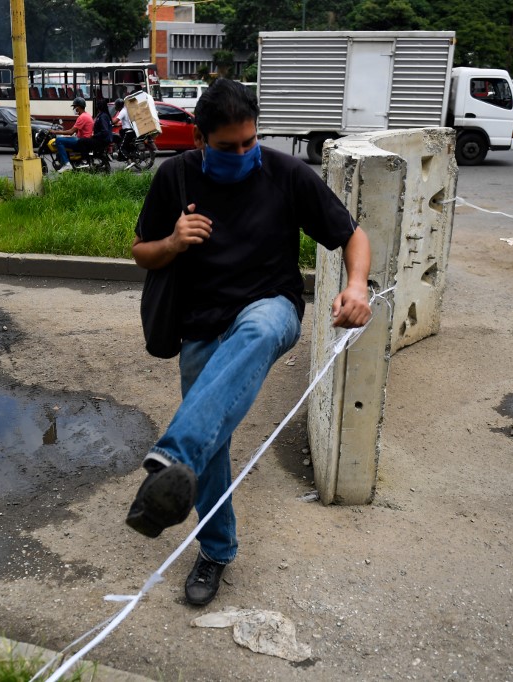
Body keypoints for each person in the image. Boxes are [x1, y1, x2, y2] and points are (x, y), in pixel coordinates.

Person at [127, 78, 372, 607]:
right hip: (201, 326)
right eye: (227, 146)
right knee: (209, 446)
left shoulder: (285, 174)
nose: (241, 154)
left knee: (255, 333)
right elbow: (141, 251)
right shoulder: (174, 177)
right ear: (199, 139)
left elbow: (352, 234)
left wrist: (356, 285)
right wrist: (172, 241)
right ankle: (215, 550)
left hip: (272, 308)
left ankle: (173, 454)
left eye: (249, 143)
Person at [51, 96, 93, 173]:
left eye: (74, 107)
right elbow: (75, 132)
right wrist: (67, 135)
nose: (73, 109)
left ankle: (67, 164)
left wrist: (55, 132)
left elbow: (71, 131)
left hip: (81, 141)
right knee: (64, 138)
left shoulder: (82, 117)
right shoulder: (86, 115)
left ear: (79, 107)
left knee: (59, 140)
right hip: (83, 139)